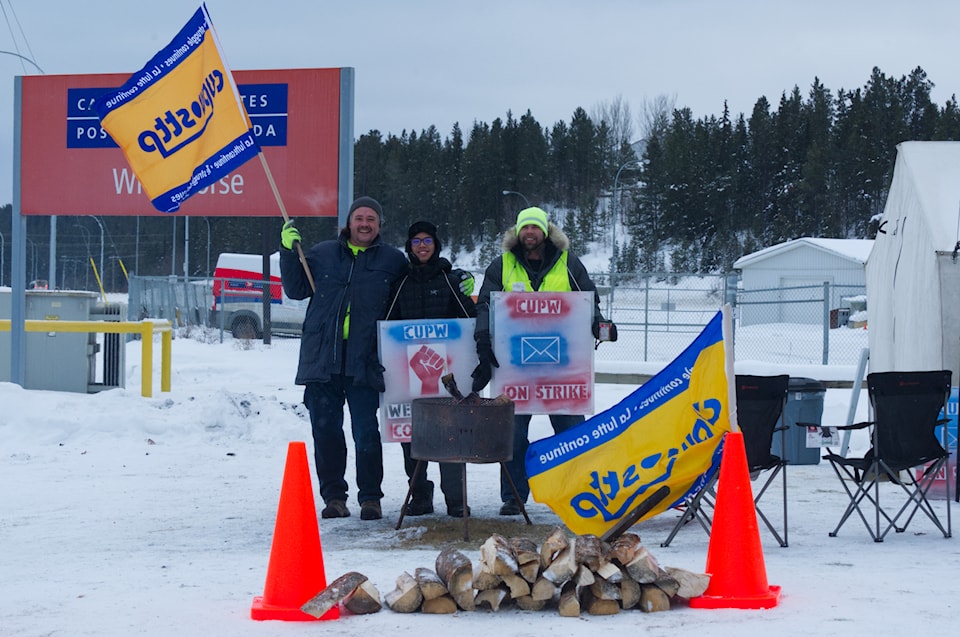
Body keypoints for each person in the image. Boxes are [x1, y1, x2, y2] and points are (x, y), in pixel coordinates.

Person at [471, 206, 612, 516]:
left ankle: (577, 490)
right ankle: (513, 496)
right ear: (518, 233)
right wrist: (483, 339)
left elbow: (588, 300)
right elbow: (485, 306)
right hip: (515, 367)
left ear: (545, 232)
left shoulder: (568, 263)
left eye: (535, 227)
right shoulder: (502, 265)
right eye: (525, 228)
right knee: (513, 433)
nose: (530, 233)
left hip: (562, 367)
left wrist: (599, 324)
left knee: (572, 431)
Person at [280, 196, 407, 521]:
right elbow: (295, 289)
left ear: (379, 225)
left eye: (371, 219)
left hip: (365, 361)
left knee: (366, 432)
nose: (365, 224)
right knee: (326, 432)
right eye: (359, 218)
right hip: (323, 359)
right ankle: (334, 496)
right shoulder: (322, 254)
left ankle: (370, 498)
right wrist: (287, 251)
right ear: (349, 223)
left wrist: (452, 278)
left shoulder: (393, 261)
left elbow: (414, 292)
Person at [385, 221, 477, 518]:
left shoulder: (450, 280)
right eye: (416, 241)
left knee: (451, 436)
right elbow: (386, 327)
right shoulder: (400, 284)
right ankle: (420, 496)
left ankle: (455, 499)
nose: (422, 246)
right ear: (409, 247)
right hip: (409, 376)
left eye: (427, 240)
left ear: (436, 245)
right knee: (412, 439)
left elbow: (469, 320)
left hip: (448, 376)